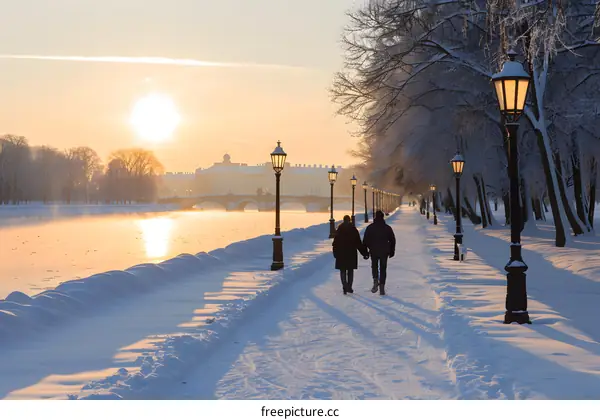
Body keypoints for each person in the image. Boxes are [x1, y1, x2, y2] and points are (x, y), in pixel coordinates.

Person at [332, 215, 368, 295]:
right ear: (350, 220)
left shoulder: (339, 230)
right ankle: (349, 286)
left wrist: (335, 252)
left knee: (343, 270)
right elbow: (358, 243)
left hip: (341, 253)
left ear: (343, 220)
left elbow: (335, 243)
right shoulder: (353, 230)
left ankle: (344, 286)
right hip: (351, 253)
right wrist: (364, 253)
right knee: (350, 270)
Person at [362, 210, 396, 295]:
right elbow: (392, 240)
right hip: (384, 251)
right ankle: (382, 287)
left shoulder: (370, 227)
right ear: (383, 217)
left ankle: (375, 280)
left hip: (374, 250)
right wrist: (392, 251)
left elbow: (365, 240)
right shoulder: (387, 228)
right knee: (383, 268)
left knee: (374, 266)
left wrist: (365, 252)